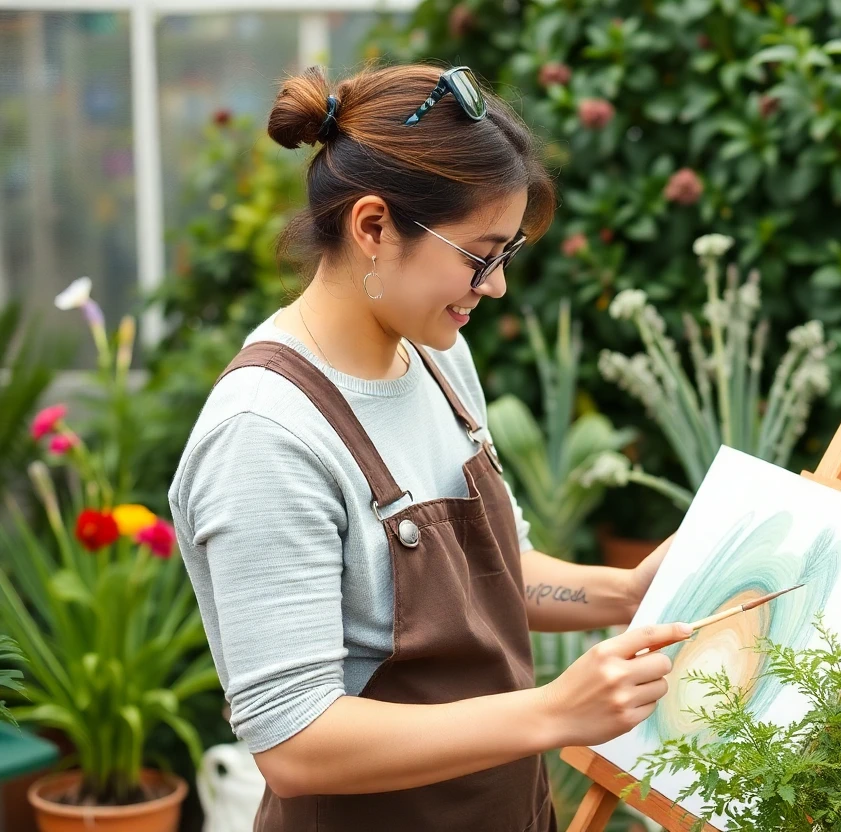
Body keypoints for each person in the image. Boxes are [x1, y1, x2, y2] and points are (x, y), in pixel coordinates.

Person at [168, 63, 689, 832]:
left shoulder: (437, 358)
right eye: (481, 255)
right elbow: (296, 741)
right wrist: (552, 711)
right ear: (373, 227)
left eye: (507, 255)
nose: (498, 285)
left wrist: (620, 594)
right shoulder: (267, 435)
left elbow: (490, 572)